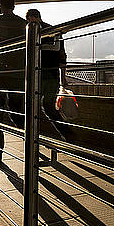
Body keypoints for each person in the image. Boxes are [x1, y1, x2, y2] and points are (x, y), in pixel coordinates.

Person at [0, 0, 27, 162]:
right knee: (18, 111)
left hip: (0, 70)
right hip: (17, 73)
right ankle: (31, 143)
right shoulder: (23, 24)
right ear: (14, 6)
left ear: (0, 6)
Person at [25, 9, 69, 140]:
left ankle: (39, 135)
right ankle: (65, 133)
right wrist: (63, 77)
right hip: (53, 73)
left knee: (34, 105)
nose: (28, 23)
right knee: (48, 106)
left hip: (39, 74)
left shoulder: (34, 32)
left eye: (29, 20)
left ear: (32, 18)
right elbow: (62, 56)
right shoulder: (54, 30)